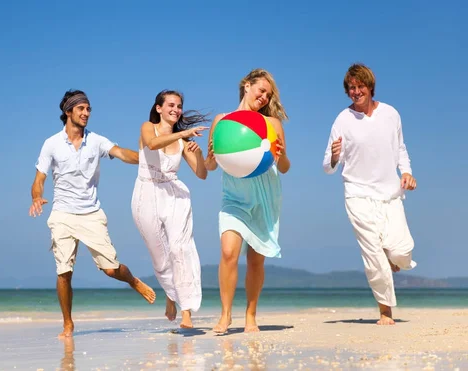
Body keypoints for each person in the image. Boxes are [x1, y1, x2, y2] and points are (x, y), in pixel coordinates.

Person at [29, 89, 156, 337]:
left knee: (110, 269)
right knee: (63, 271)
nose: (86, 113)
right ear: (68, 112)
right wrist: (36, 196)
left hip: (91, 213)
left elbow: (120, 153)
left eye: (88, 109)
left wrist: (143, 158)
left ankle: (132, 281)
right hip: (62, 214)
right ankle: (68, 323)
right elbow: (39, 178)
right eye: (81, 109)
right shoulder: (51, 144)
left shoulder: (96, 140)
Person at [322, 63, 417, 325]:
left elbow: (400, 148)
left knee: (402, 252)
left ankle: (393, 259)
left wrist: (406, 172)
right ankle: (385, 312)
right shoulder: (342, 119)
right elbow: (327, 168)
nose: (356, 91)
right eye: (351, 88)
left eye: (360, 86)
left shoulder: (390, 114)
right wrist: (334, 156)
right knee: (373, 254)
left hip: (390, 193)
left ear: (370, 87)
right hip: (357, 194)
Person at [204, 69, 289, 333]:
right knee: (228, 252)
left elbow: (284, 167)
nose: (263, 97)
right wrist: (209, 155)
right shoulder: (222, 121)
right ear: (247, 85)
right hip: (234, 197)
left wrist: (281, 154)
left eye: (268, 94)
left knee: (256, 261)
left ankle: (251, 315)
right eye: (260, 90)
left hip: (264, 196)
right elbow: (210, 167)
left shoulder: (272, 124)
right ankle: (225, 315)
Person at [131, 90, 209, 329]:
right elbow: (153, 144)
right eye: (171, 105)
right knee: (160, 258)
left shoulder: (183, 141)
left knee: (180, 250)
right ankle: (171, 294)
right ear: (159, 109)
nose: (176, 109)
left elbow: (202, 174)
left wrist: (202, 155)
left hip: (175, 195)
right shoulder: (148, 128)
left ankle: (187, 311)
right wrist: (183, 133)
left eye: (179, 106)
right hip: (146, 194)